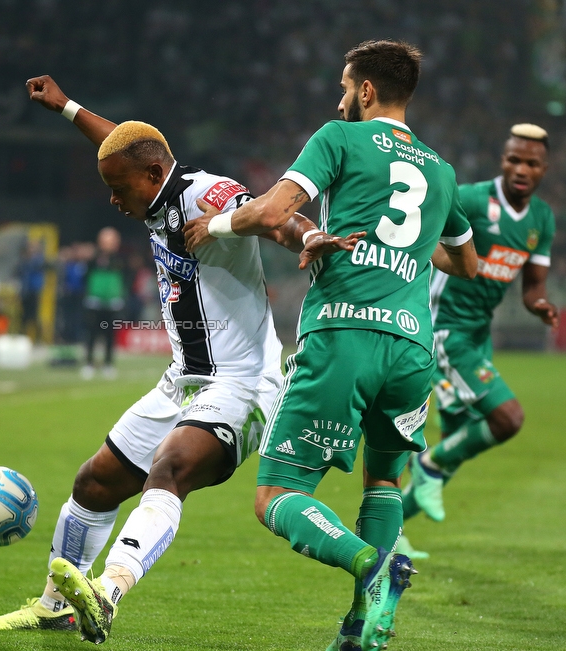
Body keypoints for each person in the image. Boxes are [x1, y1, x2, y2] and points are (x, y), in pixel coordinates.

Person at [0, 74, 357, 643]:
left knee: (169, 469)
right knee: (94, 483)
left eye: (118, 189)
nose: (113, 200)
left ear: (153, 177)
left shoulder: (206, 193)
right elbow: (125, 146)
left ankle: (109, 590)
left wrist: (306, 237)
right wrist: (66, 107)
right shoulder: (148, 178)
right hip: (182, 381)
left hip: (243, 384)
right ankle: (57, 605)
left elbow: (270, 213)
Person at [185, 40, 478, 650]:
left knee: (276, 495)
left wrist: (210, 226)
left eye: (346, 86)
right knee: (382, 484)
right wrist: (410, 250)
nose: (339, 97)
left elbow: (270, 213)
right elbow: (467, 264)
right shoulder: (442, 171)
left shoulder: (339, 140)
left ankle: (372, 566)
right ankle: (364, 628)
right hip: (410, 352)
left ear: (366, 91)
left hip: (343, 335)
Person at [399, 124, 558, 557]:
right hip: (445, 328)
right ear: (502, 160)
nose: (521, 169)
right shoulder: (469, 199)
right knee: (506, 419)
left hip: (477, 333)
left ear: (545, 169)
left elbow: (531, 287)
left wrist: (540, 304)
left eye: (531, 163)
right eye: (513, 159)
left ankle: (392, 534)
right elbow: (416, 229)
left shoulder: (541, 219)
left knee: (459, 438)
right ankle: (425, 465)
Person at [80, 226, 125, 380]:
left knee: (109, 334)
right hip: (94, 300)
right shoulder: (93, 258)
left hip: (112, 301)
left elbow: (124, 277)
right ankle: (89, 363)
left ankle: (108, 363)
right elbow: (85, 276)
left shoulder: (120, 259)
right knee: (92, 333)